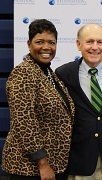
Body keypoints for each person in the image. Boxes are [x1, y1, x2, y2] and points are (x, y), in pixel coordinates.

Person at [2, 19, 75, 180]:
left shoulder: (49, 73)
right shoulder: (23, 73)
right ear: (29, 44)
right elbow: (24, 122)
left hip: (54, 165)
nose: (46, 47)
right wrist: (43, 164)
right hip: (29, 169)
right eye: (39, 42)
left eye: (52, 42)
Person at [55, 23, 102, 180]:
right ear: (78, 44)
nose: (95, 47)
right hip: (79, 161)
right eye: (89, 41)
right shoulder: (63, 73)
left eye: (100, 42)